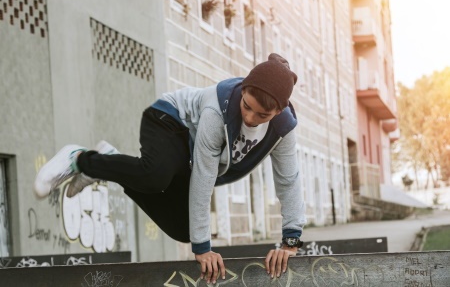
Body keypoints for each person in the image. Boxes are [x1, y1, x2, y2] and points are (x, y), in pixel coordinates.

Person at [34, 53, 306, 284]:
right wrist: (203, 249)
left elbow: (288, 180)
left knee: (184, 228)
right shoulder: (218, 110)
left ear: (279, 112)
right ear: (244, 88)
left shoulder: (283, 130)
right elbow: (204, 175)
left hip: (187, 156)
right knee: (155, 176)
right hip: (170, 120)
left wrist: (290, 241)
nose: (249, 117)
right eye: (246, 106)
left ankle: (110, 161)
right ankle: (80, 159)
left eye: (262, 116)